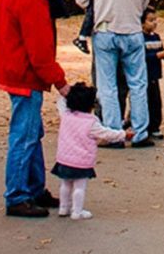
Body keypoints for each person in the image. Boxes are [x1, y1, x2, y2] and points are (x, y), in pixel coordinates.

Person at [0, 0, 71, 218]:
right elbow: (39, 51)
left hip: (14, 69)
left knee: (32, 133)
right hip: (24, 74)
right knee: (24, 136)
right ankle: (17, 195)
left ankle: (35, 188)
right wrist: (61, 83)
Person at [75, 0, 154, 144]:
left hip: (106, 30)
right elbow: (145, 2)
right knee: (138, 84)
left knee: (107, 85)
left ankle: (113, 133)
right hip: (132, 30)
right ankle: (140, 132)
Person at [52, 82, 129, 219]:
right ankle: (77, 211)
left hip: (64, 158)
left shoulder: (65, 115)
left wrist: (66, 92)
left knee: (65, 184)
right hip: (81, 160)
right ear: (91, 105)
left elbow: (60, 102)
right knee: (79, 187)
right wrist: (123, 134)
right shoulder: (91, 122)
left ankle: (63, 208)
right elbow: (106, 134)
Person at [140, 6, 164, 141]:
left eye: (155, 20)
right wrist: (158, 55)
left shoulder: (156, 37)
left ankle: (155, 125)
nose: (154, 23)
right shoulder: (140, 37)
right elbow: (142, 56)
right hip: (145, 74)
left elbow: (160, 49)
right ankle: (146, 126)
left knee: (156, 101)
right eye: (150, 20)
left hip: (155, 74)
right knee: (146, 100)